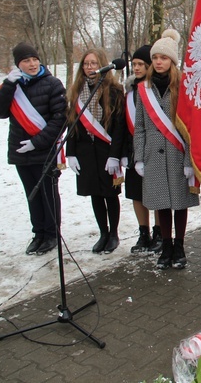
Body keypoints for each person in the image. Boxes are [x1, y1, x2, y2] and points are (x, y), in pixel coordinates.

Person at [0, 43, 66, 255]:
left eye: (34, 59)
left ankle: (51, 234)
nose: (32, 64)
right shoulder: (13, 86)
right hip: (20, 151)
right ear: (18, 65)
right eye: (26, 61)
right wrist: (8, 86)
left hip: (45, 151)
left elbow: (59, 119)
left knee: (48, 195)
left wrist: (37, 142)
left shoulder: (52, 84)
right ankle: (38, 233)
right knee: (32, 194)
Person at [133, 29, 199, 270]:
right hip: (153, 155)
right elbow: (139, 125)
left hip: (178, 153)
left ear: (172, 61)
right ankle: (167, 245)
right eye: (156, 58)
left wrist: (191, 159)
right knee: (161, 203)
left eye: (164, 58)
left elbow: (191, 126)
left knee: (180, 203)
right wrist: (139, 157)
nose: (159, 62)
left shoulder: (183, 87)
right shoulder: (144, 90)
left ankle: (179, 246)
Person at [65, 48, 126, 254]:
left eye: (93, 63)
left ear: (102, 64)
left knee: (110, 194)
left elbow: (119, 127)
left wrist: (115, 155)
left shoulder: (115, 90)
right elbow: (71, 124)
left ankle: (114, 234)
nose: (89, 67)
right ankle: (103, 232)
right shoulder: (77, 91)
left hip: (106, 150)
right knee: (95, 194)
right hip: (85, 151)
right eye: (86, 64)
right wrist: (70, 153)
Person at [122, 45, 162, 254]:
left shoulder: (154, 89)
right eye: (134, 64)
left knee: (154, 193)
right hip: (132, 150)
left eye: (141, 64)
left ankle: (159, 232)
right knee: (136, 193)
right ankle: (143, 232)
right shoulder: (129, 92)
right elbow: (122, 125)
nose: (136, 68)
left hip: (154, 149)